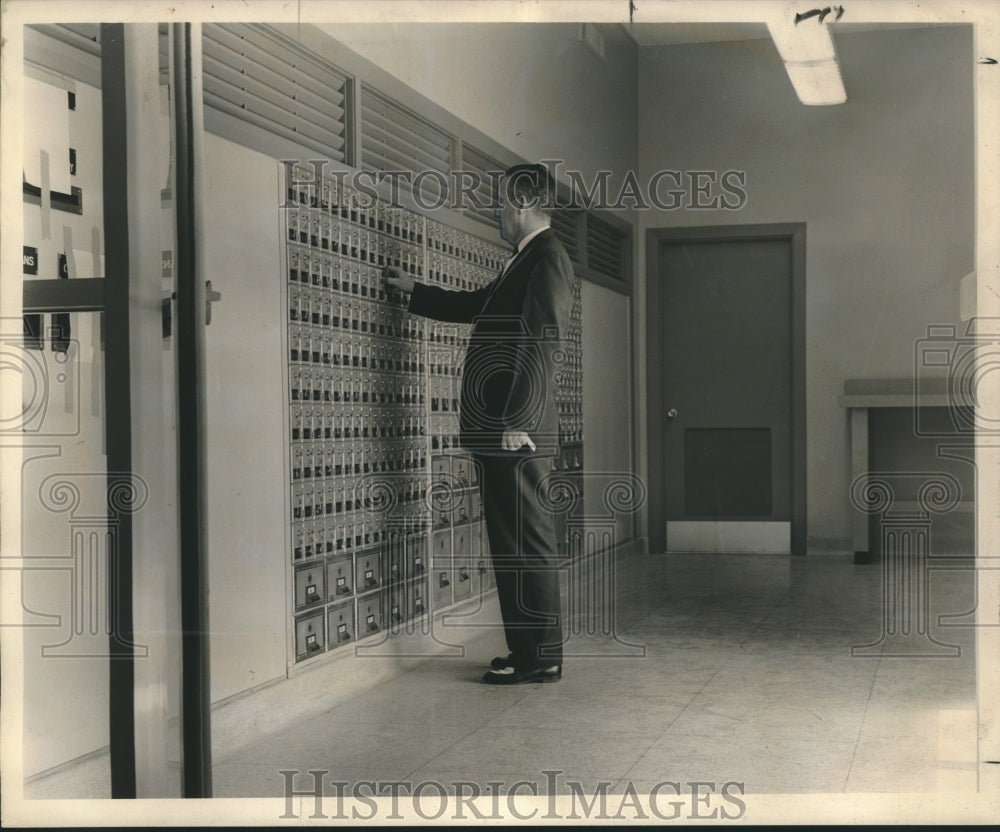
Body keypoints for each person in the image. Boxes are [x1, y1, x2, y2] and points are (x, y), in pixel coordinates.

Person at [383, 163, 573, 684]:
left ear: (524, 201)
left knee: (527, 543)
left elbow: (542, 339)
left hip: (516, 428)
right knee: (510, 542)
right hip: (502, 428)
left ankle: (542, 656)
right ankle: (526, 652)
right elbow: (479, 306)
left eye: (499, 201)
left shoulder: (548, 257)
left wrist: (516, 417)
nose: (495, 211)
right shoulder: (524, 259)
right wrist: (414, 291)